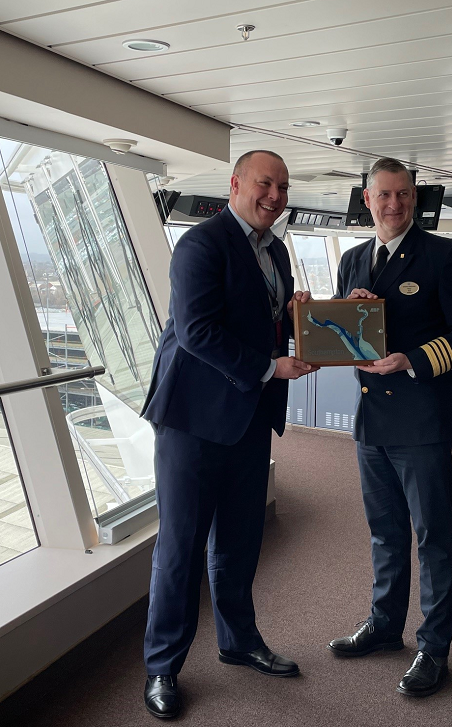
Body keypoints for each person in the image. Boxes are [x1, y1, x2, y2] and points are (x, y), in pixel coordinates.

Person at [140, 150, 316, 719]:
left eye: (284, 187)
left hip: (247, 418)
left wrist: (297, 317)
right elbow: (196, 331)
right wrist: (268, 367)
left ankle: (238, 641)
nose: (276, 196)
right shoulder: (201, 244)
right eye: (266, 184)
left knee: (240, 540)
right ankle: (163, 667)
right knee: (182, 549)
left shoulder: (276, 250)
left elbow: (258, 319)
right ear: (237, 184)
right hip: (193, 420)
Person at [328, 158, 452, 697]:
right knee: (385, 533)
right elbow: (344, 336)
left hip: (420, 419)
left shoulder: (445, 255)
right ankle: (383, 626)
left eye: (402, 195)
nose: (393, 204)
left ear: (414, 198)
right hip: (371, 421)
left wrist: (414, 359)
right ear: (367, 200)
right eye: (384, 196)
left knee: (434, 537)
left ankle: (434, 647)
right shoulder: (352, 260)